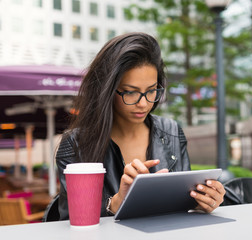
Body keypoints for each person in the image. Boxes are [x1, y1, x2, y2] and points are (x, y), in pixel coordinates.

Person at [56, 32, 225, 220]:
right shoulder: (75, 144)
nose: (143, 103)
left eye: (152, 91)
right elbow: (68, 219)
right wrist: (115, 203)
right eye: (130, 92)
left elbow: (183, 204)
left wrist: (203, 201)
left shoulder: (171, 132)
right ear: (107, 91)